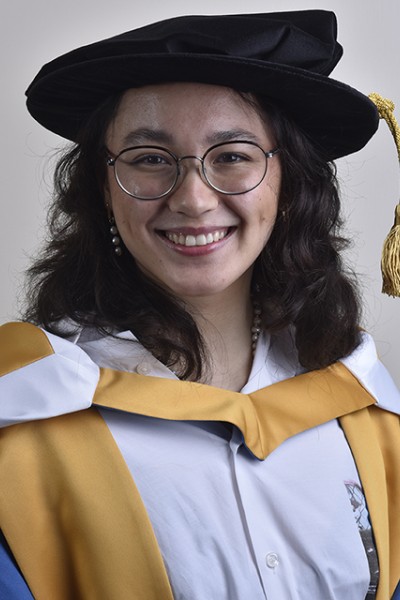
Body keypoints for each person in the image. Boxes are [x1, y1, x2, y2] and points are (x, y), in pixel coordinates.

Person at [0, 10, 399, 600]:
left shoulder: (360, 406)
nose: (192, 199)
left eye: (233, 155)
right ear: (104, 191)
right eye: (149, 158)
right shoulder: (27, 411)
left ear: (288, 185)